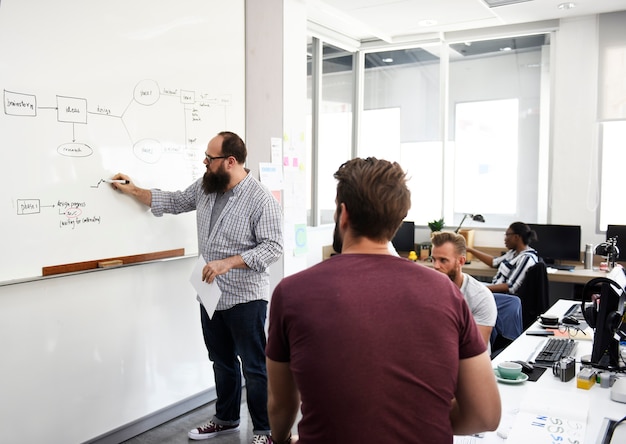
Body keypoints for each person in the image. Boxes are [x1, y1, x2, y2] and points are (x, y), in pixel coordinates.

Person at [265, 157, 500, 443]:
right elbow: (485, 415)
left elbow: (281, 404)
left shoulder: (291, 292)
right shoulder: (445, 292)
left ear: (343, 214)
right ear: (398, 221)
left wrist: (279, 439)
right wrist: (425, 416)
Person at [111, 131, 283, 444]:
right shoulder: (207, 185)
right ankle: (226, 419)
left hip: (246, 297)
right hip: (210, 293)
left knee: (254, 368)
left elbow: (273, 247)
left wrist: (228, 262)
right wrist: (133, 189)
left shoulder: (260, 199)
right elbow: (176, 201)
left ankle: (264, 431)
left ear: (230, 162)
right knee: (221, 362)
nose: (204, 161)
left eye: (210, 157)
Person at [430, 231, 497, 348]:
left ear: (461, 261)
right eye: (433, 259)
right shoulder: (426, 290)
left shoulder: (481, 296)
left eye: (443, 260)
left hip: (467, 362)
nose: (436, 266)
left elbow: (475, 348)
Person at [467, 222, 538, 295]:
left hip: (503, 296)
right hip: (493, 289)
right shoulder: (513, 253)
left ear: (516, 237)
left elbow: (511, 287)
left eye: (507, 235)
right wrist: (470, 250)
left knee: (468, 292)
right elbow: (494, 262)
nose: (505, 239)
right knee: (467, 284)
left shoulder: (526, 258)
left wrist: (482, 289)